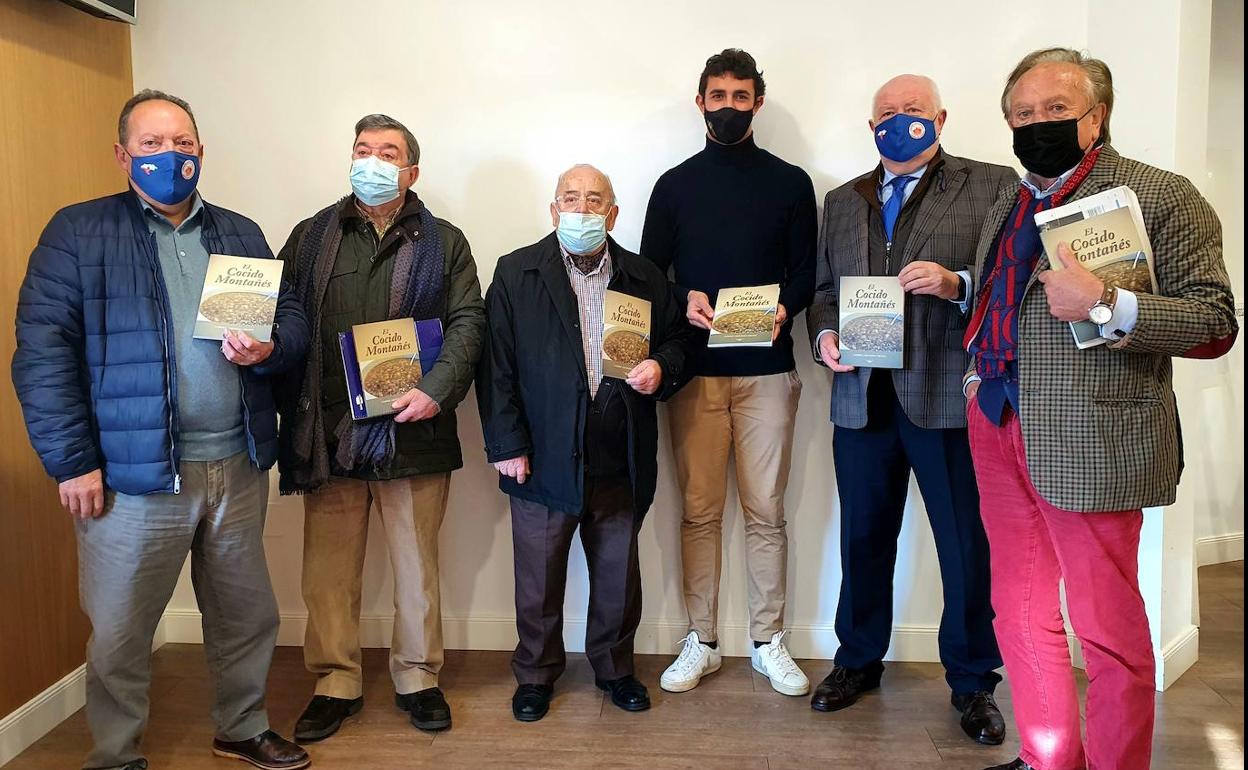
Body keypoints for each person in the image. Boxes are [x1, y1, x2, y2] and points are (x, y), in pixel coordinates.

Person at [11, 89, 310, 770]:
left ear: (200, 150)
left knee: (246, 617)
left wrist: (271, 347)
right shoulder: (78, 233)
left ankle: (241, 726)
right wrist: (71, 462)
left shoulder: (239, 233)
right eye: (151, 144)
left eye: (182, 142)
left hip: (235, 463)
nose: (169, 155)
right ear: (122, 155)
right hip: (130, 475)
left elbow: (288, 316)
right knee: (120, 632)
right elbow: (42, 352)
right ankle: (115, 754)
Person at [966, 48, 1238, 770]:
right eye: (1022, 115)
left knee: (1107, 629)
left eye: (1055, 110)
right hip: (996, 422)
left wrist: (1108, 303)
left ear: (1098, 115)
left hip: (1096, 436)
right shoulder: (1012, 197)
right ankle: (1048, 755)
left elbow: (1215, 323)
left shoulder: (1160, 194)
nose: (1036, 125)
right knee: (1019, 614)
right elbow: (1011, 300)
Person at [804, 74, 1015, 745]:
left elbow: (1016, 282)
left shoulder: (990, 185)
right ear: (871, 128)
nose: (900, 122)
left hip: (948, 399)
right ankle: (857, 662)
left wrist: (960, 285)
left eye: (913, 111)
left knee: (964, 546)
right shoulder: (841, 201)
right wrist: (826, 335)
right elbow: (822, 293)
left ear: (942, 118)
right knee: (863, 540)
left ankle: (974, 680)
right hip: (861, 399)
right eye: (887, 114)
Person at [276, 114, 485, 740]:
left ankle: (418, 676)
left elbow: (469, 323)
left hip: (414, 431)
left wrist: (435, 392)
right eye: (362, 149)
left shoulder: (445, 242)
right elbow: (285, 316)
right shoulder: (310, 237)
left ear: (411, 171)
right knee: (328, 571)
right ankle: (334, 680)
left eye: (387, 152)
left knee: (417, 565)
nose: (372, 160)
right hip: (331, 431)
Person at [478, 164, 695, 722]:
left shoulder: (645, 277)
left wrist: (660, 367)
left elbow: (678, 342)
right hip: (541, 454)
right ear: (553, 211)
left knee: (619, 573)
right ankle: (535, 674)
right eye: (570, 199)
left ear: (613, 213)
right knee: (538, 578)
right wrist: (506, 443)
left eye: (593, 200)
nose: (581, 209)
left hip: (618, 452)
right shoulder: (516, 272)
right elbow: (495, 365)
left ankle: (615, 668)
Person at [641, 48, 817, 697]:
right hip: (694, 374)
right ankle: (703, 639)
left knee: (766, 512)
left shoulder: (791, 183)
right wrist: (678, 298)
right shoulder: (673, 185)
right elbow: (650, 274)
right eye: (718, 96)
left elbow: (806, 271)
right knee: (698, 511)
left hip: (768, 370)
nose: (728, 107)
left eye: (740, 97)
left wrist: (785, 306)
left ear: (757, 103)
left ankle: (770, 640)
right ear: (701, 102)